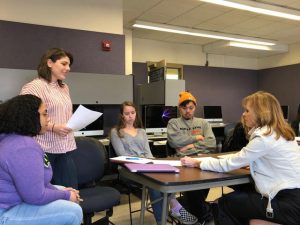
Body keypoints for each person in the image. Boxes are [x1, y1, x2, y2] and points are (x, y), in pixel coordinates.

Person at [181, 91, 300, 225]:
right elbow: (244, 157)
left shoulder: (264, 137)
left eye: (247, 110)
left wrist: (198, 163)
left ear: (261, 112)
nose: (243, 114)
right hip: (293, 199)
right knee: (238, 197)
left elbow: (229, 164)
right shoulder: (279, 133)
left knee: (224, 204)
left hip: (286, 204)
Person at [110, 101, 198, 225]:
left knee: (162, 177)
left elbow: (148, 153)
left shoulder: (141, 131)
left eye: (133, 113)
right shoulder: (116, 132)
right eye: (127, 113)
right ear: (121, 115)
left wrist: (153, 162)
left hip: (146, 166)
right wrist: (140, 159)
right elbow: (122, 155)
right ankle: (172, 210)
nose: (130, 116)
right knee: (154, 183)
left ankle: (170, 211)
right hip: (127, 168)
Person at [0, 94, 83, 225]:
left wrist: (63, 192)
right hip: (6, 212)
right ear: (29, 116)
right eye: (44, 114)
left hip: (13, 202)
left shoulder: (13, 138)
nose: (48, 119)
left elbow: (38, 183)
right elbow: (35, 196)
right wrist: (67, 196)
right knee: (73, 211)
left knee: (62, 188)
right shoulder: (23, 147)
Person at [20, 48, 77, 189]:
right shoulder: (34, 87)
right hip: (45, 150)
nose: (68, 68)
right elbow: (28, 117)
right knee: (48, 194)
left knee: (71, 192)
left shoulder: (64, 88)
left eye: (69, 65)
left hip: (65, 147)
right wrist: (53, 127)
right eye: (64, 64)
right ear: (50, 63)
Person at [167, 91, 216, 224]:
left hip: (201, 160)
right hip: (182, 163)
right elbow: (174, 142)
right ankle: (202, 216)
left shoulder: (203, 123)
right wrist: (196, 138)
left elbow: (211, 143)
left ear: (195, 107)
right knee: (194, 187)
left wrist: (189, 147)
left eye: (191, 108)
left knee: (206, 181)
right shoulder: (173, 123)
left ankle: (196, 213)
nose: (188, 111)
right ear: (179, 108)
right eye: (184, 108)